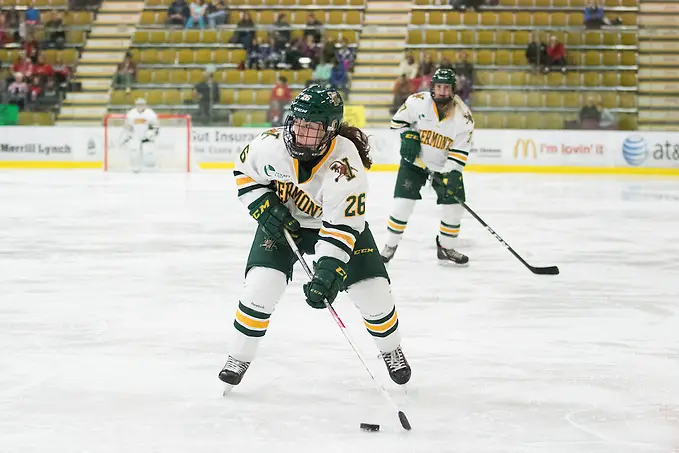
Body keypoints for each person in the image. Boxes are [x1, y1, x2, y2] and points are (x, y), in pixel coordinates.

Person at [218, 85, 412, 391]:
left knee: (373, 293)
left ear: (331, 129)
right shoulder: (269, 144)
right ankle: (238, 356)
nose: (300, 133)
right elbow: (245, 174)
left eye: (312, 128)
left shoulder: (346, 164)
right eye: (299, 123)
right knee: (261, 286)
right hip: (285, 225)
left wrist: (329, 270)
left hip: (334, 226)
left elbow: (341, 226)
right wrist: (263, 207)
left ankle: (391, 349)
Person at [382, 68, 474, 265]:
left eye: (446, 88)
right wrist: (407, 136)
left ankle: (446, 247)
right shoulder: (417, 102)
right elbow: (398, 123)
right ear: (432, 88)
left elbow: (459, 151)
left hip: (443, 166)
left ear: (453, 90)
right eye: (439, 87)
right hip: (414, 163)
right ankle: (390, 246)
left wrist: (451, 172)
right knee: (402, 205)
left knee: (455, 207)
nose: (442, 91)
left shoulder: (464, 117)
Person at [121, 98, 159, 172]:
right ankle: (134, 167)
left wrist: (152, 132)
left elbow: (156, 124)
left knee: (148, 152)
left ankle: (149, 168)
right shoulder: (131, 113)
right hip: (135, 135)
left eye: (142, 104)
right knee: (134, 152)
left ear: (145, 105)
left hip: (147, 136)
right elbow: (127, 124)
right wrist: (128, 130)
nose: (140, 106)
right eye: (138, 104)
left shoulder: (150, 113)